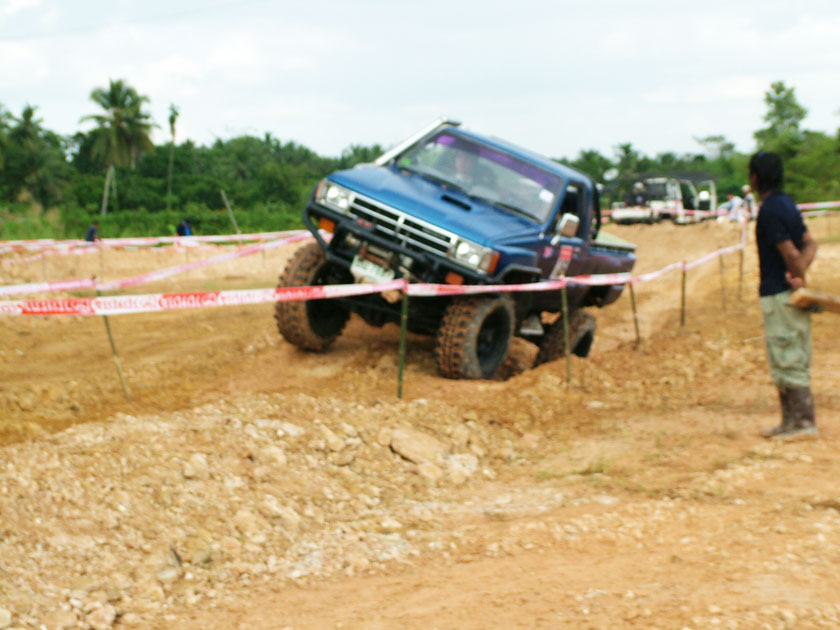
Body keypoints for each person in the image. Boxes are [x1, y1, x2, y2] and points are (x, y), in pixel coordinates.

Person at [749, 151, 819, 438]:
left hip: (780, 295)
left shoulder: (769, 210)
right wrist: (801, 273)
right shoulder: (788, 204)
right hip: (787, 294)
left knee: (786, 356)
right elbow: (810, 243)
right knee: (787, 354)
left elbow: (789, 252)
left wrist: (797, 275)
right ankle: (790, 422)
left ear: (754, 179)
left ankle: (802, 423)